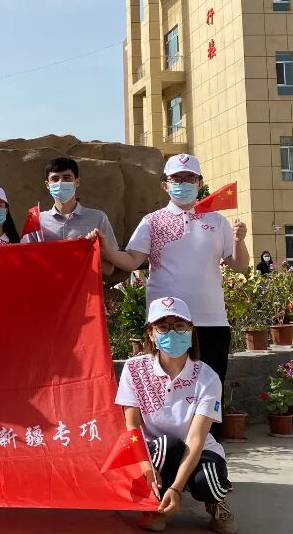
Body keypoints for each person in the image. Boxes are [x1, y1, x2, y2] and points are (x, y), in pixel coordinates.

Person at [96, 154, 249, 436]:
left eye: (190, 178)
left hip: (210, 319)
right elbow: (131, 260)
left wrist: (239, 241)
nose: (183, 184)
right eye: (176, 179)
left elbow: (238, 266)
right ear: (165, 185)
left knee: (209, 391)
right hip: (167, 324)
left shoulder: (217, 221)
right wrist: (105, 248)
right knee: (166, 390)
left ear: (199, 183)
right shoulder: (152, 222)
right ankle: (164, 451)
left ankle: (208, 454)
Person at [115, 296, 236, 534]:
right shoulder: (134, 369)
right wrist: (146, 469)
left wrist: (177, 488)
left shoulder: (207, 377)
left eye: (180, 326)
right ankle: (156, 505)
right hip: (155, 451)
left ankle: (214, 502)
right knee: (167, 445)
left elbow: (196, 439)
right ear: (151, 334)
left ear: (191, 331)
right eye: (163, 327)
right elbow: (132, 427)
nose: (172, 333)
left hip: (197, 449)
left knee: (209, 482)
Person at [21, 156, 119, 275]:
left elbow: (109, 269)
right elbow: (25, 263)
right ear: (47, 184)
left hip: (85, 287)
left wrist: (87, 253)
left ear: (77, 182)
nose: (60, 183)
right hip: (48, 286)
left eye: (66, 178)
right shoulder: (37, 220)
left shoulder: (97, 218)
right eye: (55, 179)